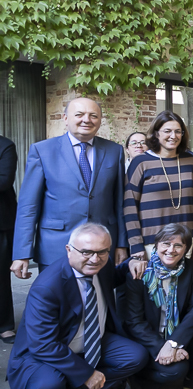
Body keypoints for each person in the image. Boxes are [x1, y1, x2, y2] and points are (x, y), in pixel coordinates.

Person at [7, 223, 148, 389]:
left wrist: (133, 262)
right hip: (50, 351)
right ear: (68, 250)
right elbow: (42, 344)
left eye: (103, 251)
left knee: (135, 356)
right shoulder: (47, 287)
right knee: (44, 388)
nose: (95, 258)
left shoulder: (103, 263)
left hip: (92, 339)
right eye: (86, 252)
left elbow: (114, 276)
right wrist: (87, 374)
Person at [12, 98, 128, 279]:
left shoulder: (114, 151)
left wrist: (122, 244)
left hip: (102, 248)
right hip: (56, 247)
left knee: (99, 302)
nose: (86, 120)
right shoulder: (43, 150)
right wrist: (21, 254)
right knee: (57, 304)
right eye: (79, 114)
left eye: (93, 115)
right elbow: (28, 207)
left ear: (100, 120)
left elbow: (120, 202)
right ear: (65, 118)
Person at [124, 224, 193, 389]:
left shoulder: (192, 269)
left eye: (178, 245)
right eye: (166, 244)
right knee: (175, 371)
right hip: (149, 340)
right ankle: (137, 378)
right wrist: (161, 346)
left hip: (176, 334)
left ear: (186, 249)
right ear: (156, 245)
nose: (171, 250)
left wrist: (173, 343)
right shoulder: (139, 273)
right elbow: (134, 322)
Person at [124, 111, 193, 277]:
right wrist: (136, 247)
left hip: (184, 242)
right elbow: (129, 208)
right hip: (152, 242)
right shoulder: (141, 162)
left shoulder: (190, 160)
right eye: (167, 131)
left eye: (178, 131)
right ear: (156, 133)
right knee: (154, 296)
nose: (173, 136)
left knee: (181, 296)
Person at [0, 135, 17, 343]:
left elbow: (4, 181)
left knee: (1, 277)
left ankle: (4, 324)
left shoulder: (5, 145)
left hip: (1, 222)